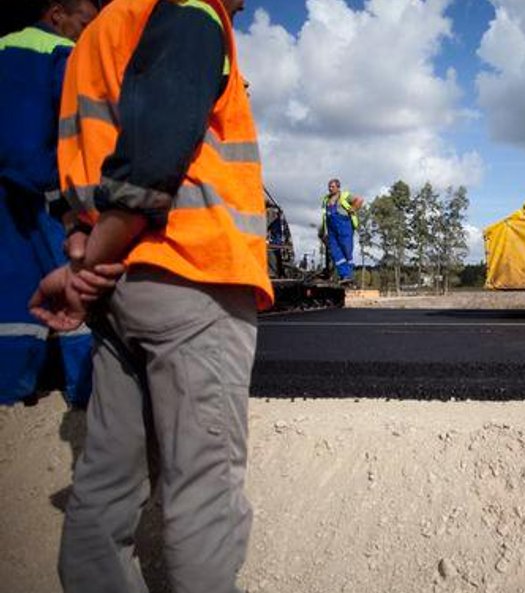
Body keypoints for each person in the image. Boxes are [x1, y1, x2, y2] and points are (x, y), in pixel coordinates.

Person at [29, 0, 273, 591]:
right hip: (193, 279)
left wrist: (84, 257)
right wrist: (100, 256)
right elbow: (153, 158)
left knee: (105, 486)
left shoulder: (98, 35)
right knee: (203, 489)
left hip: (120, 292)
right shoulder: (192, 12)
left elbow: (74, 168)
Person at [0, 0, 100, 406]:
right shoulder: (64, 53)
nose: (85, 33)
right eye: (83, 23)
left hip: (6, 187)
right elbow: (78, 125)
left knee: (11, 289)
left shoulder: (4, 45)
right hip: (43, 183)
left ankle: (10, 389)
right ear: (56, 14)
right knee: (75, 284)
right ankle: (86, 391)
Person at [319, 177, 363, 286]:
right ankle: (344, 275)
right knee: (335, 251)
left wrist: (353, 209)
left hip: (344, 225)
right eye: (329, 186)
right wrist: (323, 231)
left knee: (346, 249)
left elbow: (359, 200)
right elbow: (324, 215)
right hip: (331, 227)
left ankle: (349, 275)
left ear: (338, 187)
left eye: (332, 186)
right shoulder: (326, 199)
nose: (330, 188)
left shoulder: (344, 195)